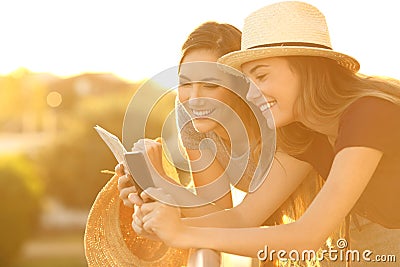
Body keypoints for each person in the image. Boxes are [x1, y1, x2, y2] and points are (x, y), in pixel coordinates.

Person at [129, 2, 400, 266]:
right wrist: (164, 225)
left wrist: (183, 233)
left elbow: (307, 237)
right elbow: (243, 217)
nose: (250, 92)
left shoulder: (369, 113)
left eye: (262, 76)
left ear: (307, 69)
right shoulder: (305, 133)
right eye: (248, 80)